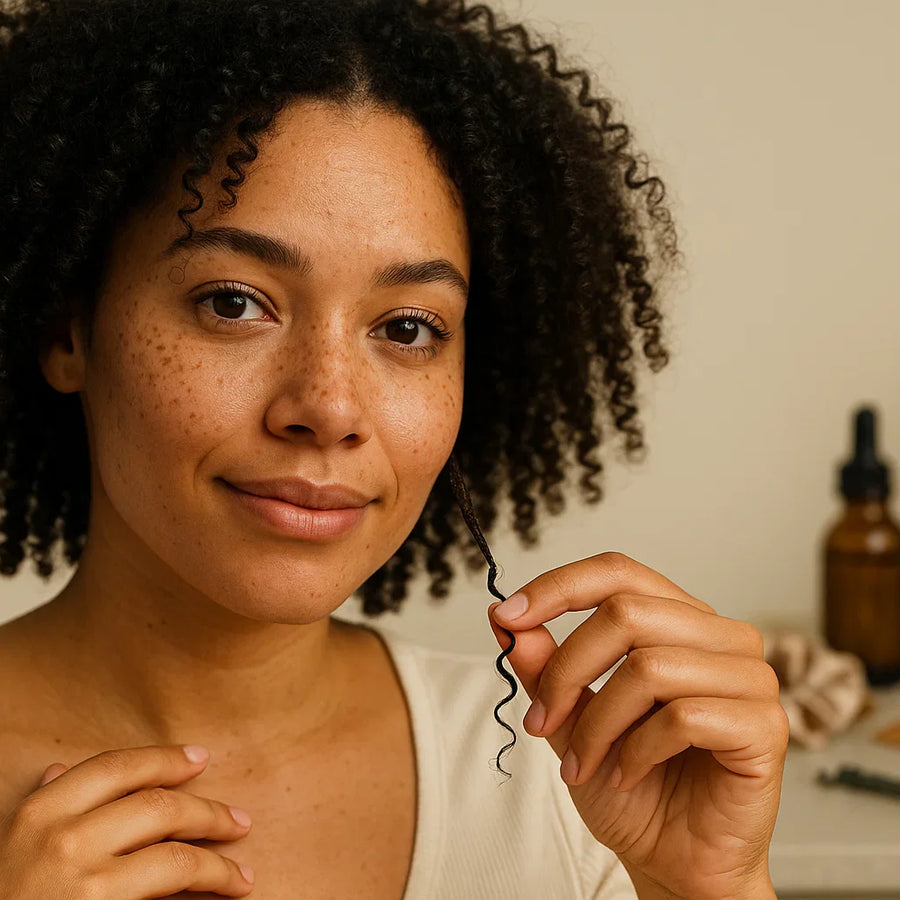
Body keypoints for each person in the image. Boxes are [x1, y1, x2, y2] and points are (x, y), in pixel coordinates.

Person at [0, 0, 789, 897]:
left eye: (408, 326)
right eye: (233, 302)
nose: (330, 406)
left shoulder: (579, 784)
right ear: (68, 330)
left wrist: (712, 887)